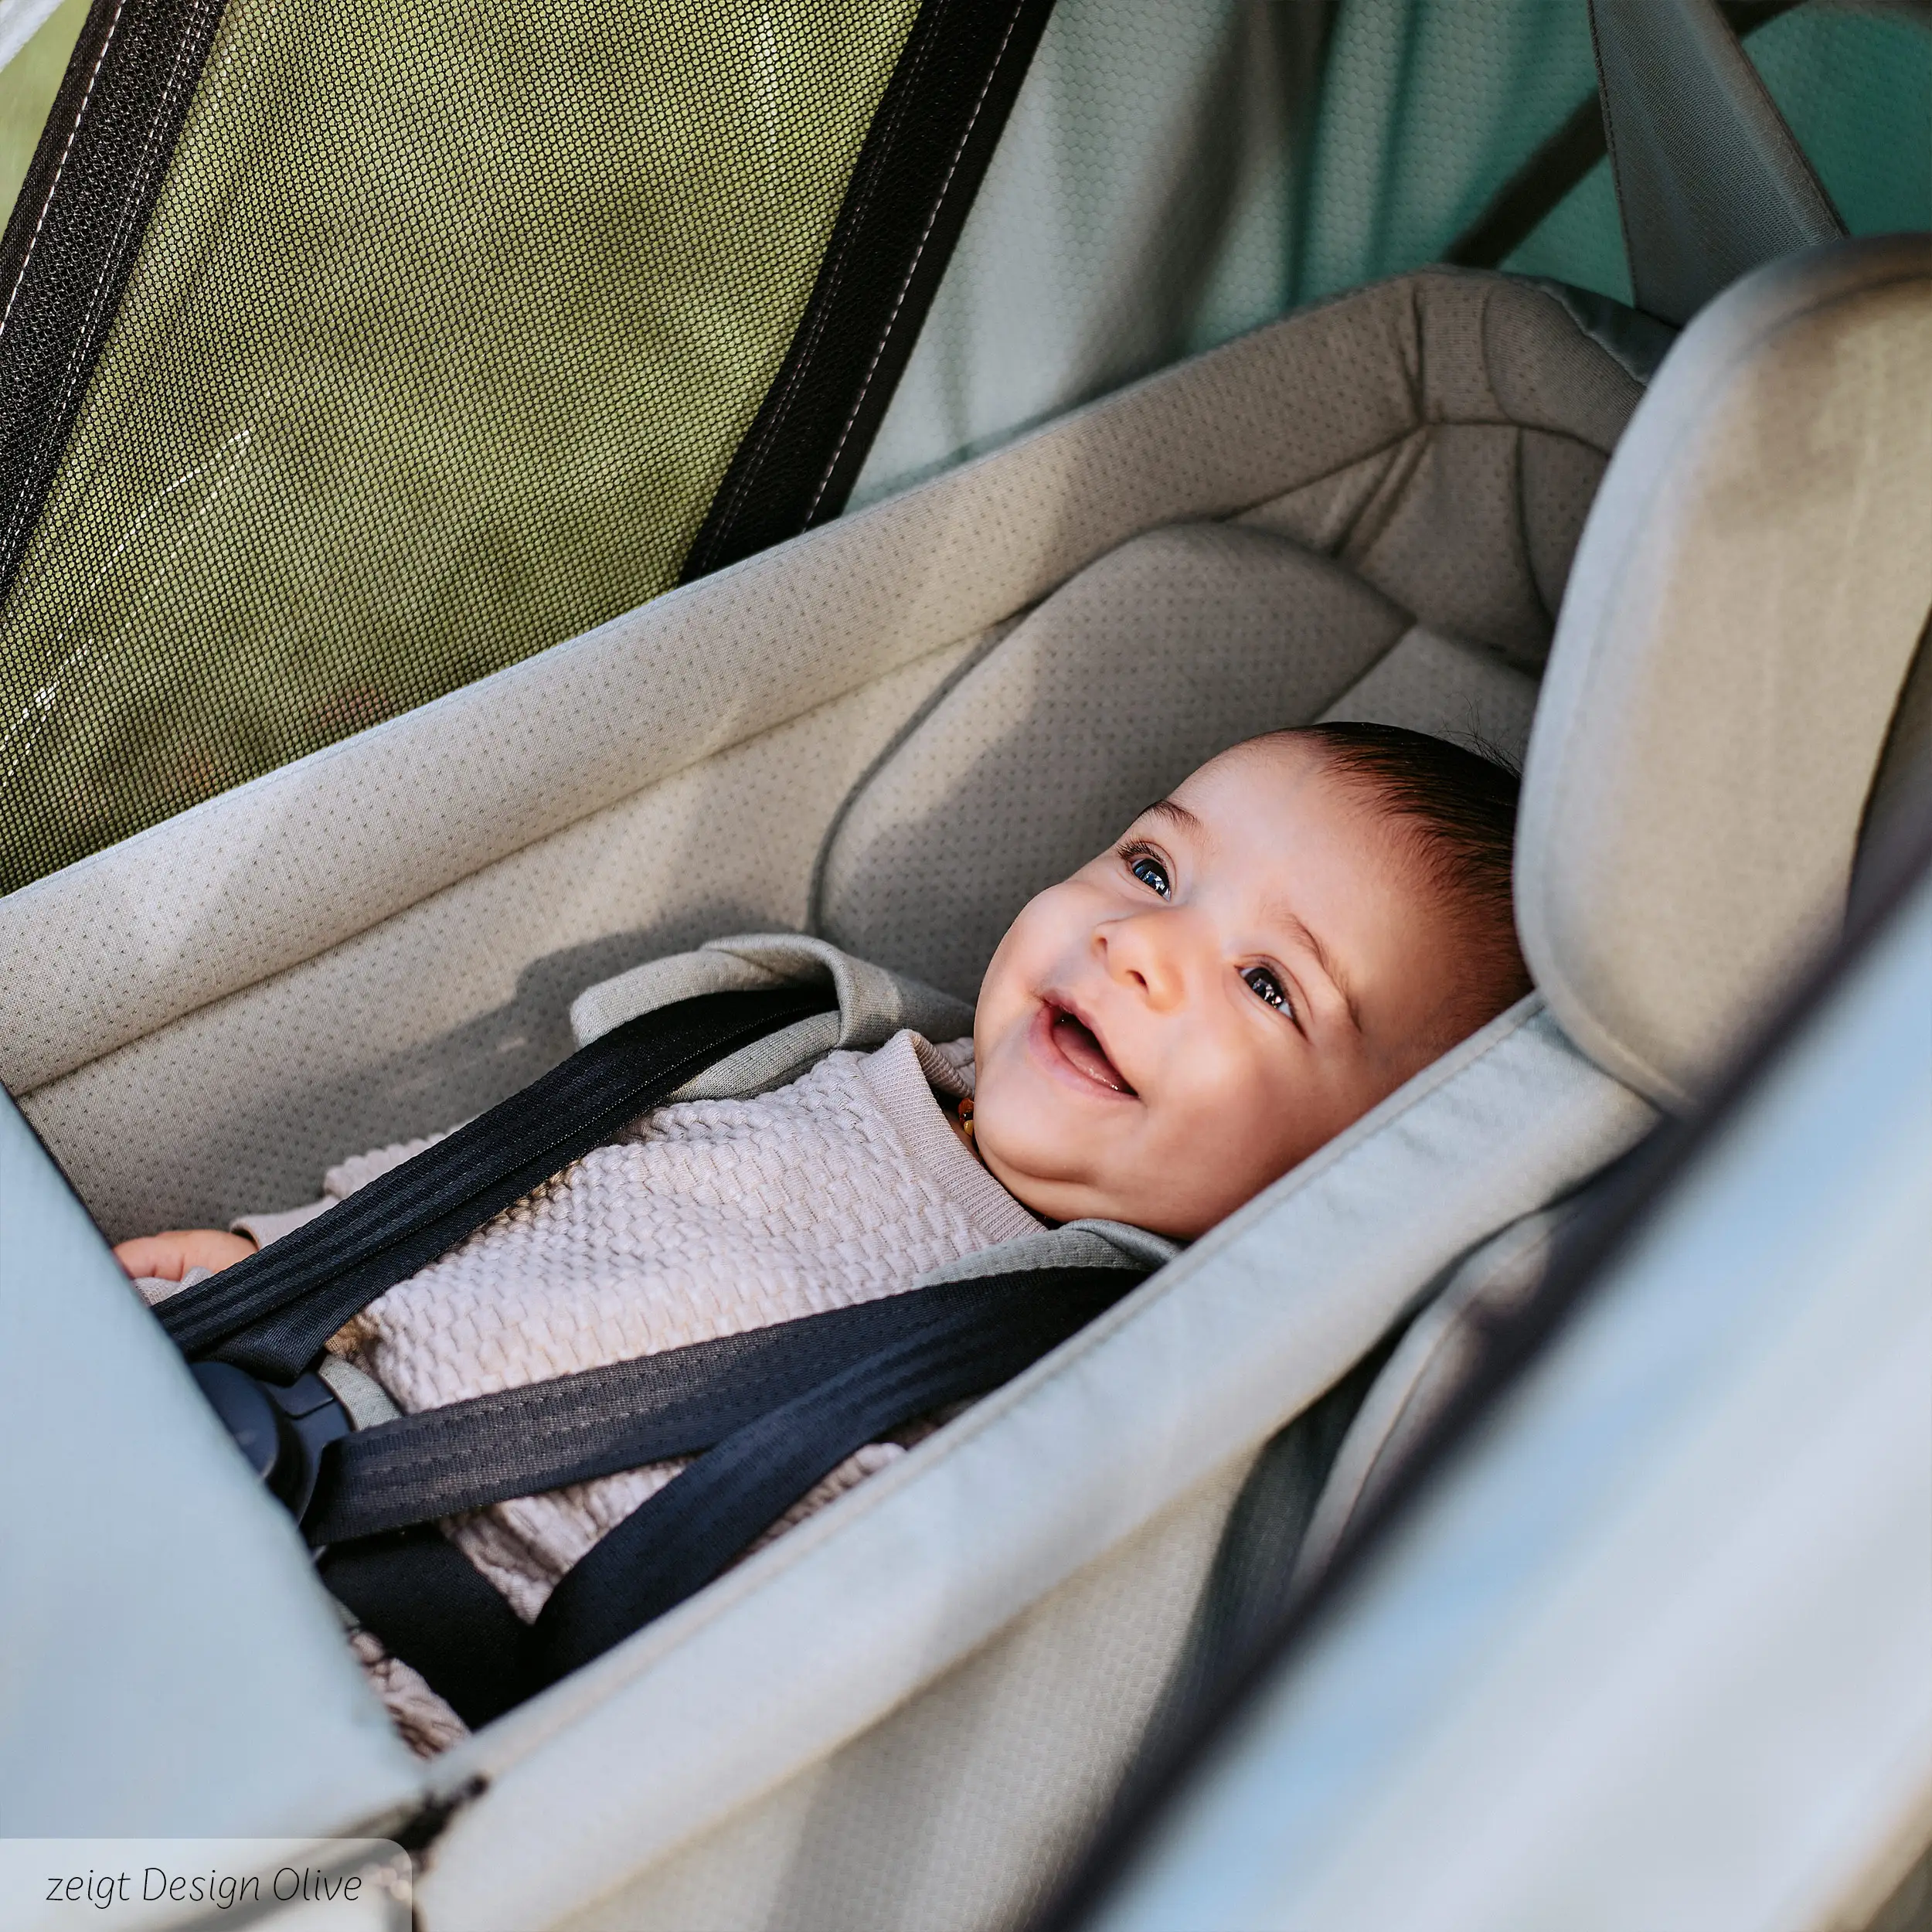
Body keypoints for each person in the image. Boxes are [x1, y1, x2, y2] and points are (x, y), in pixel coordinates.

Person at [120, 723, 1529, 1752]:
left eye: (1272, 986)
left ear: (1352, 1177)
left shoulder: (1095, 1386)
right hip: (223, 1430)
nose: (1141, 946)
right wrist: (286, 1256)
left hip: (400, 1705)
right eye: (1154, 867)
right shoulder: (819, 1043)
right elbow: (530, 1170)